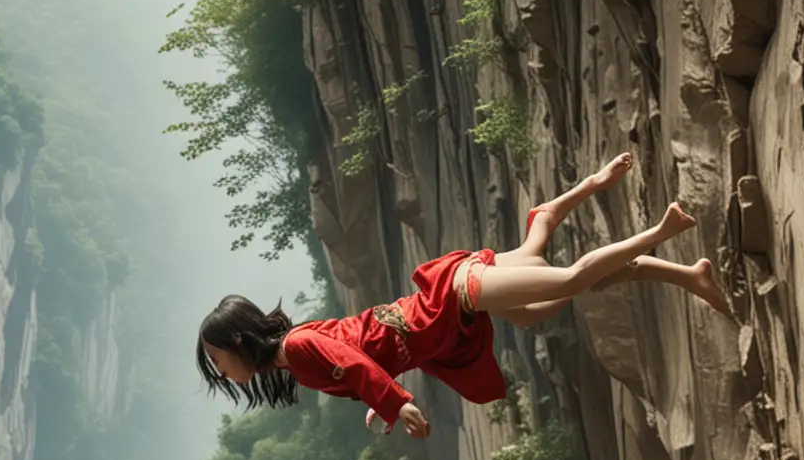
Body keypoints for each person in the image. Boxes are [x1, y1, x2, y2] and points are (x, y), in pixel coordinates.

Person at [196, 155, 731, 437]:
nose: (222, 373)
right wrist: (383, 405)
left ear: (241, 340)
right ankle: (687, 274)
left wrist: (396, 403)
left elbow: (355, 365)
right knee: (541, 301)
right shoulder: (297, 357)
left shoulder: (297, 351)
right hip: (445, 314)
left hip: (451, 299)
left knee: (566, 281)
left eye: (218, 360)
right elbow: (366, 352)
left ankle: (661, 231)